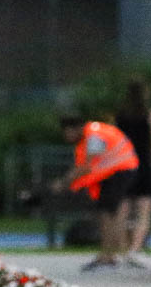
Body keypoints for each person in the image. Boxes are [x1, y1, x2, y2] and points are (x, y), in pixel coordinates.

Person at [53, 115, 139, 272]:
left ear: (75, 128)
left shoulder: (94, 136)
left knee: (107, 213)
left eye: (67, 132)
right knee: (108, 212)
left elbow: (86, 166)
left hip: (119, 171)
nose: (66, 137)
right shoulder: (94, 132)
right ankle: (110, 254)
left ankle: (108, 256)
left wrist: (64, 182)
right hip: (116, 171)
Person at [114, 79, 151, 267]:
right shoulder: (150, 115)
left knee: (123, 210)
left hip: (123, 164)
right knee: (143, 211)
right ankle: (135, 250)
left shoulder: (120, 116)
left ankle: (122, 249)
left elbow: (114, 141)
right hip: (142, 164)